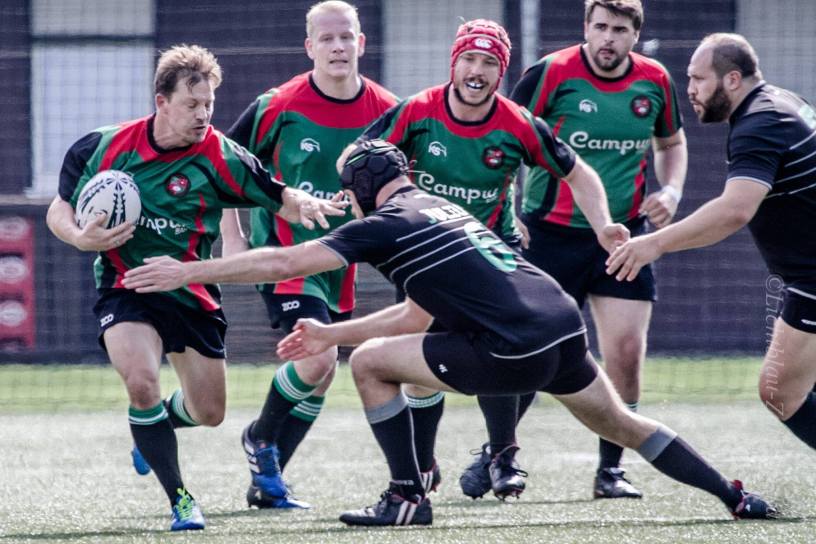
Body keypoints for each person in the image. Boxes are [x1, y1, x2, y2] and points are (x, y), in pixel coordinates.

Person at [122, 139, 775, 527]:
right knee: (627, 425)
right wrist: (329, 332)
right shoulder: (444, 208)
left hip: (513, 347)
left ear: (363, 189)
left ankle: (408, 494)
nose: (349, 204)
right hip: (559, 328)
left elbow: (284, 261)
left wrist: (189, 268)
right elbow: (415, 317)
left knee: (371, 366)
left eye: (351, 193)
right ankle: (734, 495)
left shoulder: (384, 223)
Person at [46, 44, 345, 532]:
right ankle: (181, 499)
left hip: (190, 291)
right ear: (161, 101)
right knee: (140, 382)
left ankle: (154, 427)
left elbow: (277, 197)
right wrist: (81, 236)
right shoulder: (102, 147)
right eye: (192, 104)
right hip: (127, 287)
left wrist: (305, 205)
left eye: (209, 103)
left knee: (210, 413)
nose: (204, 114)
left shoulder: (221, 156)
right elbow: (59, 209)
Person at [357, 18, 618, 500]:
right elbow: (358, 156)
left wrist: (603, 226)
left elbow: (579, 174)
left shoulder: (517, 122)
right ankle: (423, 462)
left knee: (507, 349)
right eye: (469, 60)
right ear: (453, 63)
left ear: (502, 72)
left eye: (489, 63)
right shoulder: (417, 111)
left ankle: (503, 455)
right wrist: (369, 205)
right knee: (415, 362)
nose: (477, 71)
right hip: (425, 256)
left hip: (494, 255)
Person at [494, 0, 688, 500]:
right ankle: (499, 457)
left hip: (623, 238)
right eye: (599, 27)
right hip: (548, 235)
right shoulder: (550, 73)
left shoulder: (656, 80)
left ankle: (611, 471)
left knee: (625, 354)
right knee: (530, 354)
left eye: (619, 30)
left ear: (634, 35)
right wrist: (508, 210)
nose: (608, 38)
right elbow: (506, 136)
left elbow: (672, 144)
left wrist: (670, 192)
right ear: (585, 28)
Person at [607, 33, 816, 469]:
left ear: (733, 79)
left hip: (812, 281)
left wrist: (653, 244)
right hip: (806, 278)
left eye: (699, 79)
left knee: (779, 391)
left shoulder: (760, 121)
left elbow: (734, 211)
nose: (691, 90)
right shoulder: (778, 103)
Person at [218, 0, 397, 509]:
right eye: (327, 39)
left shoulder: (387, 111)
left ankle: (268, 485)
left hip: (340, 260)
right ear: (310, 47)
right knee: (317, 360)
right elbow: (227, 168)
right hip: (284, 255)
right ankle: (260, 438)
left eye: (347, 37)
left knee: (321, 376)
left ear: (361, 43)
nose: (338, 46)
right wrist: (233, 238)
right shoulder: (277, 104)